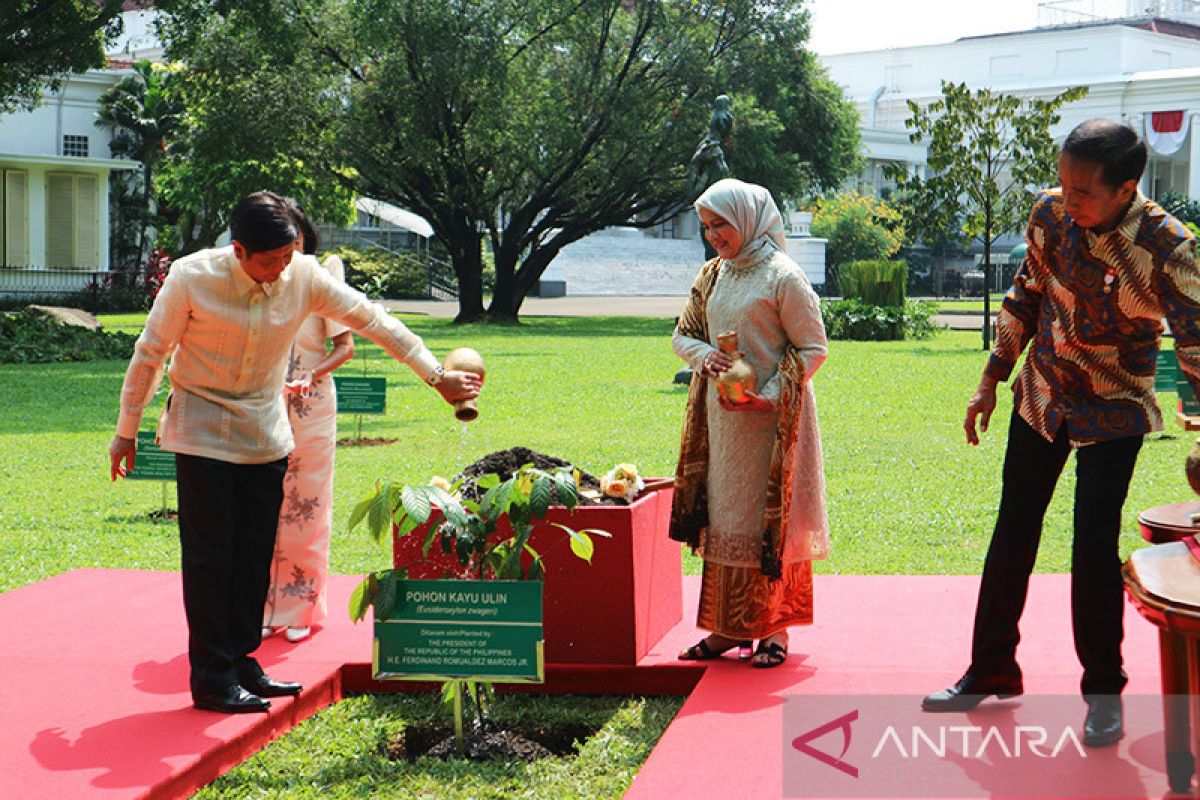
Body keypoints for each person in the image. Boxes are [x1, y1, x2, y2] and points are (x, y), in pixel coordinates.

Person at [109, 191, 481, 714]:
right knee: (212, 556)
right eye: (270, 261)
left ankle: (242, 663)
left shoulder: (302, 274)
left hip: (265, 429)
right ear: (238, 251)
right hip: (200, 428)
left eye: (288, 258)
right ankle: (213, 679)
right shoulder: (192, 277)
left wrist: (435, 377)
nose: (282, 271)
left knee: (256, 553)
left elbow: (372, 320)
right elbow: (150, 354)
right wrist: (127, 430)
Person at [922, 119, 1200, 748]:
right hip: (1042, 394)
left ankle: (1105, 692)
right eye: (1063, 182)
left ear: (1126, 188)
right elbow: (1026, 293)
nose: (1067, 200)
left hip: (1114, 407)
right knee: (1014, 526)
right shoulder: (1048, 215)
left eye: (1084, 191)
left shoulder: (1166, 244)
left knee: (1092, 547)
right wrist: (991, 377)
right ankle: (991, 666)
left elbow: (1194, 337)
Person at [670, 178, 829, 669]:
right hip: (723, 421)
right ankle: (725, 628)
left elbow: (813, 349)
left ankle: (775, 630)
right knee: (726, 516)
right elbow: (683, 335)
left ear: (749, 219)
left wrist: (771, 396)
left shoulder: (784, 276)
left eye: (722, 224)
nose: (714, 235)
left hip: (774, 426)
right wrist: (706, 357)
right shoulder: (712, 275)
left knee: (770, 518)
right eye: (707, 226)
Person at [260, 199, 353, 643]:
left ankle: (301, 607)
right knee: (265, 507)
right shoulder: (261, 281)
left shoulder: (322, 276)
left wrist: (310, 374)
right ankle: (263, 604)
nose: (286, 254)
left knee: (307, 506)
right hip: (262, 406)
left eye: (292, 242)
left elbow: (345, 347)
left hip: (313, 406)